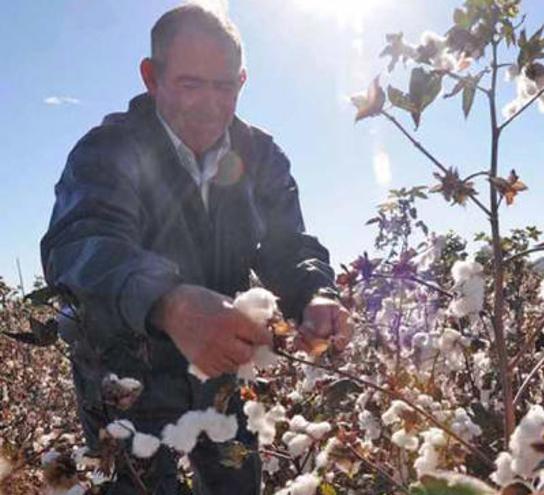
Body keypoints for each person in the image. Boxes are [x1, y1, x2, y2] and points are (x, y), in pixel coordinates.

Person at [40, 4, 351, 493]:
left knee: (237, 482)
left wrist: (314, 292)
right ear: (151, 77)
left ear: (242, 82)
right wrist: (168, 303)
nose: (209, 103)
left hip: (220, 366)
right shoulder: (106, 152)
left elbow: (286, 242)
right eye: (189, 84)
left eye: (224, 86)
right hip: (124, 376)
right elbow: (81, 245)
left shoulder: (259, 154)